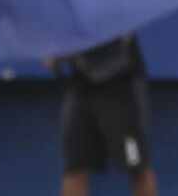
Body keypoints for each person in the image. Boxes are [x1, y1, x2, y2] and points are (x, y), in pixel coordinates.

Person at [44, 34, 158, 196]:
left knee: (136, 165)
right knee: (76, 167)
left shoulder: (115, 11)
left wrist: (66, 49)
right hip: (81, 86)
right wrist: (53, 50)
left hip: (121, 90)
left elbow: (112, 29)